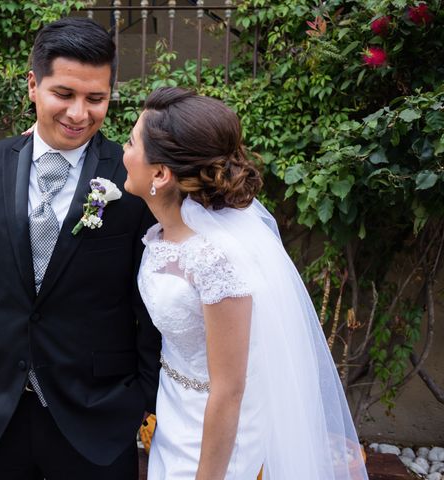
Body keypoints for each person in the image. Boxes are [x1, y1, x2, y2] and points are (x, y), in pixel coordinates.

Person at [0, 17, 161, 480]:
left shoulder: (130, 177)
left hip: (95, 414)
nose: (79, 113)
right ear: (33, 85)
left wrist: (143, 398)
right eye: (64, 95)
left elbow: (148, 300)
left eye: (96, 99)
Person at [122, 87, 368, 480]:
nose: (123, 149)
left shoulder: (217, 258)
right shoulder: (164, 235)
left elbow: (230, 388)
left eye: (131, 142)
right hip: (174, 409)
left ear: (160, 173)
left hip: (216, 431)